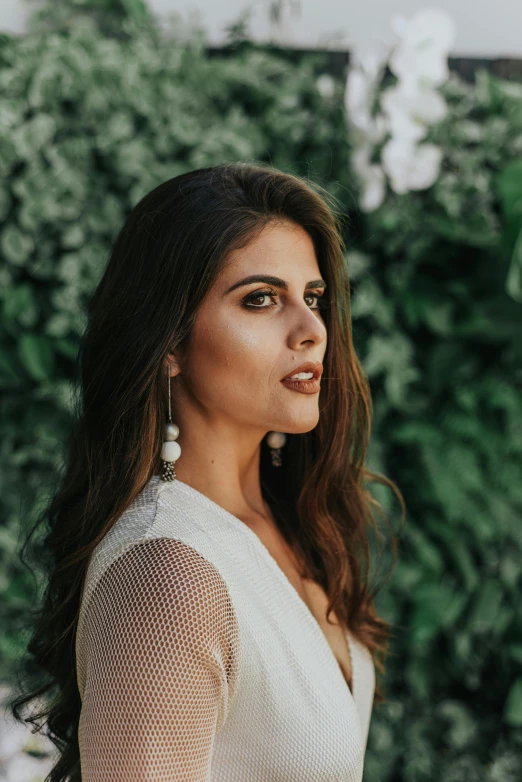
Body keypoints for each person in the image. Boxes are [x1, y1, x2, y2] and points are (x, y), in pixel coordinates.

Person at [9, 162, 404, 781]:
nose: (311, 331)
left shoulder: (278, 524)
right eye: (261, 299)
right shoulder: (166, 573)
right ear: (168, 343)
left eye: (314, 298)